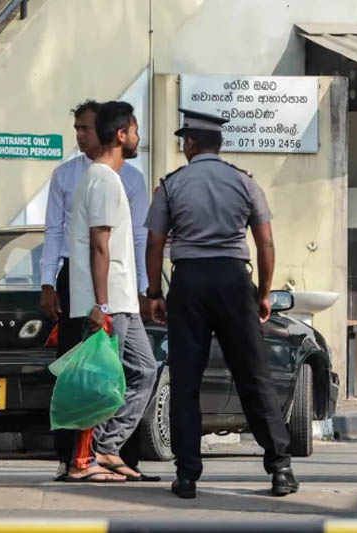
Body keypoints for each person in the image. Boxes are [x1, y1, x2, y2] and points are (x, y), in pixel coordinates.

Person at [144, 108, 298, 499]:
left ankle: (187, 476)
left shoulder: (171, 186)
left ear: (190, 143)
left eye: (184, 141)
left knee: (186, 380)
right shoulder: (245, 183)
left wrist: (155, 293)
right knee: (253, 374)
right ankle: (280, 469)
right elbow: (265, 243)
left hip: (189, 282)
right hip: (233, 280)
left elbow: (155, 243)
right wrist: (264, 293)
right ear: (219, 143)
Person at [41, 100, 157, 482]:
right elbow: (99, 245)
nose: (138, 137)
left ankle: (106, 447)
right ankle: (83, 461)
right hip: (108, 300)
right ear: (121, 134)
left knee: (144, 370)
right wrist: (101, 305)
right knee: (101, 381)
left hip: (124, 298)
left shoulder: (111, 177)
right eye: (135, 130)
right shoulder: (103, 179)